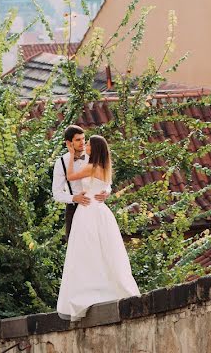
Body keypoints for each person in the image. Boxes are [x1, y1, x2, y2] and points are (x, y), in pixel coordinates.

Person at [57, 134, 140, 321]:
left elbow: (70, 177)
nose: (85, 145)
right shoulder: (103, 167)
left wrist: (70, 155)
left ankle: (90, 289)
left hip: (87, 211)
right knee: (104, 251)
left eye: (88, 144)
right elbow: (107, 185)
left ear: (94, 148)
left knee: (87, 251)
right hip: (100, 210)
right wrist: (107, 191)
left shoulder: (92, 167)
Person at [52, 125, 109, 240]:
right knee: (77, 247)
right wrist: (74, 198)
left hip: (94, 207)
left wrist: (106, 192)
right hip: (73, 209)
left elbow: (106, 181)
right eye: (78, 140)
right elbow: (56, 193)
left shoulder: (92, 156)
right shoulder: (61, 163)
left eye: (84, 139)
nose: (82, 142)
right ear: (69, 143)